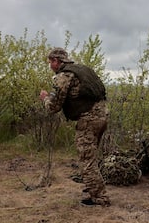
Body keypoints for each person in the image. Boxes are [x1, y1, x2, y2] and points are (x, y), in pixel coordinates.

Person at [39, 48, 110, 206]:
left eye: (51, 62)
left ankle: (99, 197)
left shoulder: (63, 76)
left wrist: (45, 98)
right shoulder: (82, 69)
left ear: (57, 61)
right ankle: (94, 187)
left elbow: (53, 107)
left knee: (87, 159)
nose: (50, 65)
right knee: (91, 157)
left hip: (88, 119)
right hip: (102, 115)